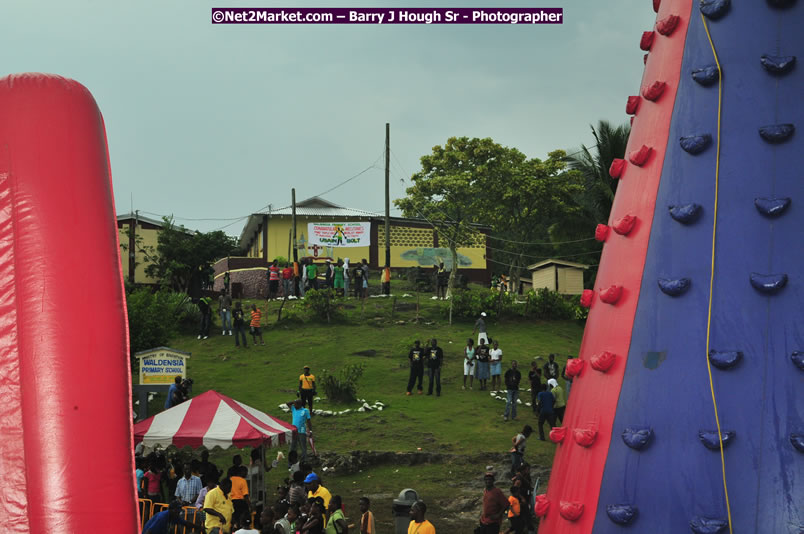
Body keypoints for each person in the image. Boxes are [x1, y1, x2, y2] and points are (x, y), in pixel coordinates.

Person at [287, 398, 312, 463]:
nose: (294, 405)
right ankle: (291, 463)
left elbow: (308, 421)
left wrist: (310, 431)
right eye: (294, 404)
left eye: (295, 404)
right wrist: (294, 401)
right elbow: (287, 403)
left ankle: (304, 461)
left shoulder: (305, 410)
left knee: (303, 448)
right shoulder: (293, 409)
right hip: (294, 432)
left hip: (302, 432)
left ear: (299, 404)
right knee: (292, 448)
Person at [230, 465, 251, 530]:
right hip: (240, 502)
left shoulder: (230, 479)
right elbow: (245, 495)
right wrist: (250, 505)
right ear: (241, 472)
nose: (246, 474)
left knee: (234, 519)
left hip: (231, 502)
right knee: (243, 517)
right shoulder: (243, 481)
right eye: (246, 472)